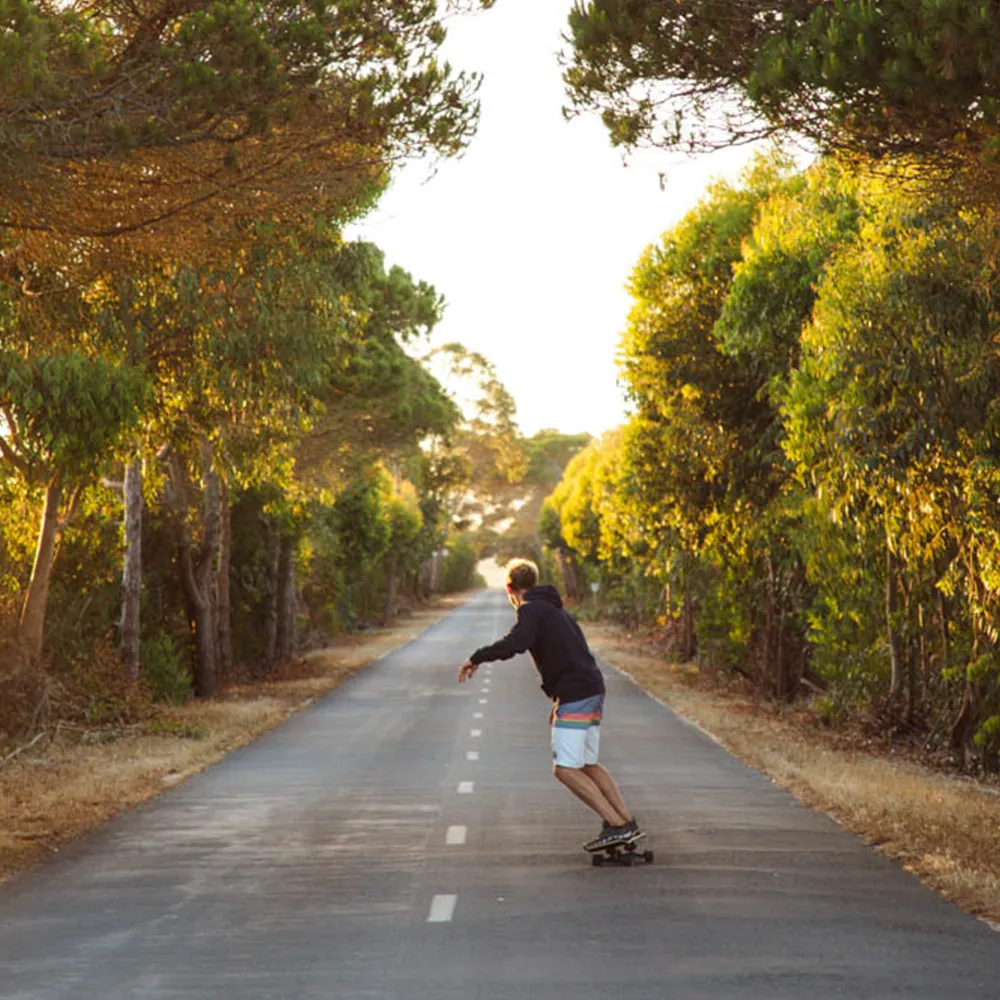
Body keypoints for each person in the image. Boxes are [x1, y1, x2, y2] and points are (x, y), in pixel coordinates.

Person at [457, 558, 643, 852]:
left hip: (576, 693)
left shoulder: (531, 609)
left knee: (565, 769)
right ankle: (625, 821)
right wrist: (560, 698)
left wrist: (477, 657)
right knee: (587, 764)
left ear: (510, 588)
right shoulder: (556, 608)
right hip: (590, 689)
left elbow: (515, 643)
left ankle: (617, 825)